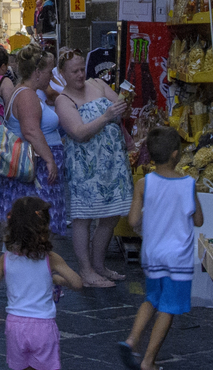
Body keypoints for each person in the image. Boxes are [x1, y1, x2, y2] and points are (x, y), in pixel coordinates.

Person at [118, 126, 203, 370]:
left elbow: (133, 220)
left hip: (152, 253)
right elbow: (198, 220)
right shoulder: (188, 184)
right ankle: (148, 361)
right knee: (169, 307)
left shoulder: (144, 184)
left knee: (151, 298)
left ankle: (132, 340)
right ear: (176, 154)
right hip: (178, 257)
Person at [54, 48, 132, 287]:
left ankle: (99, 265)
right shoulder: (63, 100)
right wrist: (107, 116)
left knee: (111, 214)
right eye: (74, 71)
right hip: (85, 166)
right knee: (83, 217)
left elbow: (119, 110)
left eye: (81, 69)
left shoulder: (97, 84)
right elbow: (78, 133)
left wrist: (124, 117)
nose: (80, 75)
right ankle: (86, 270)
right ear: (62, 74)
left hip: (112, 162)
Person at [0, 197, 82, 370]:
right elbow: (77, 283)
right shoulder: (50, 258)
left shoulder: (5, 259)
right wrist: (57, 279)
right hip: (43, 325)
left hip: (15, 325)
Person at [0, 44, 70, 238]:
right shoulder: (27, 95)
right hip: (37, 168)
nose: (50, 77)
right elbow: (31, 131)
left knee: (28, 228)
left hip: (33, 166)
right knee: (35, 226)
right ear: (36, 72)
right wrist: (50, 159)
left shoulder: (23, 91)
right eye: (47, 72)